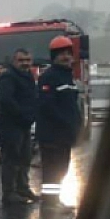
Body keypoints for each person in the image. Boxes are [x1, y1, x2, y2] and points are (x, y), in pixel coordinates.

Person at [37, 35, 83, 199]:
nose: (66, 57)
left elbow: (71, 105)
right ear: (54, 57)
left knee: (61, 170)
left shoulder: (67, 77)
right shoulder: (49, 77)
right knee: (52, 173)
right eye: (61, 54)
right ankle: (49, 204)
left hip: (64, 136)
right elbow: (47, 106)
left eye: (68, 53)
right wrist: (66, 123)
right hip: (52, 136)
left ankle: (55, 202)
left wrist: (77, 124)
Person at [0, 47, 39, 204]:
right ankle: (9, 193)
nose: (25, 64)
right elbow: (7, 101)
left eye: (27, 60)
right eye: (21, 60)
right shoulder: (8, 77)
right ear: (14, 61)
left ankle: (23, 188)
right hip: (10, 124)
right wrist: (23, 115)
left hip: (25, 124)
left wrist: (32, 115)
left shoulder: (28, 76)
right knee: (11, 159)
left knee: (25, 158)